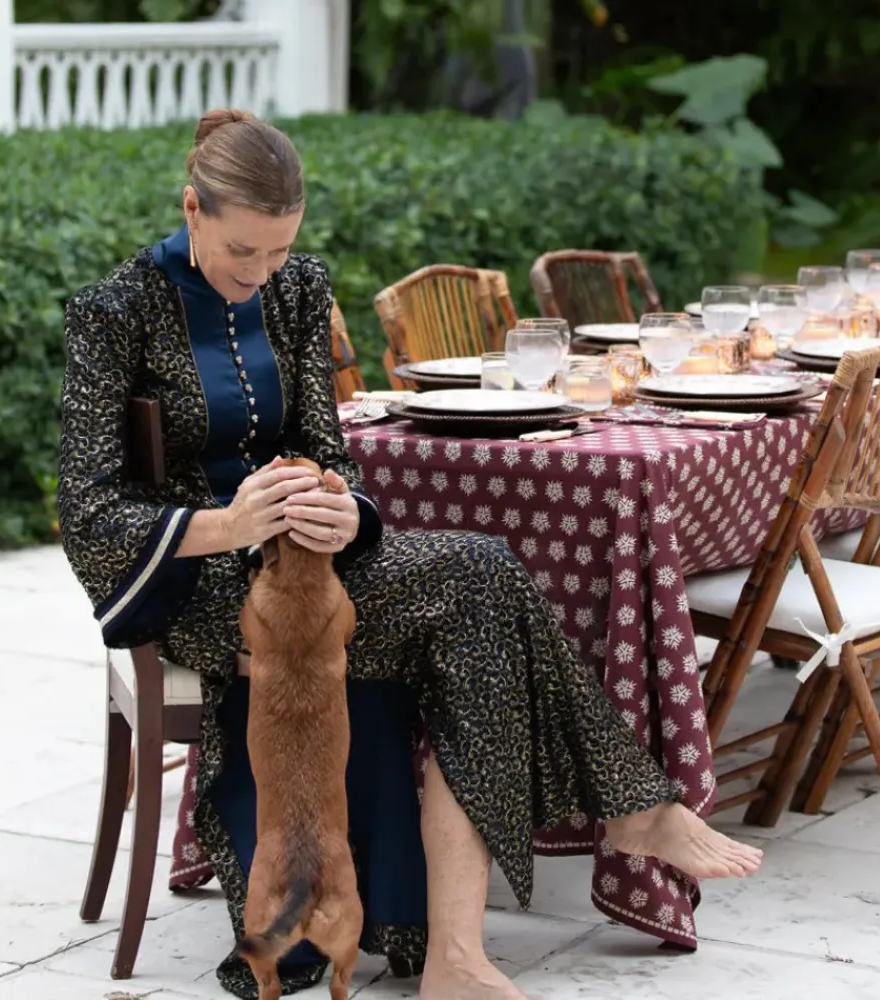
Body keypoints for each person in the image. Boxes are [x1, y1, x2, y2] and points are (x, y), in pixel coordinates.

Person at [58, 108, 762, 1000]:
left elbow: (331, 443)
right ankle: (621, 816)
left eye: (278, 253)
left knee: (479, 580)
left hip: (313, 566)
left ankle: (461, 955)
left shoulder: (298, 290)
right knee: (480, 587)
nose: (260, 275)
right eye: (243, 252)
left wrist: (347, 514)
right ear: (192, 209)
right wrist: (226, 528)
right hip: (202, 587)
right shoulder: (113, 312)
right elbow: (87, 512)